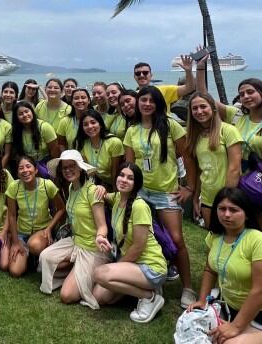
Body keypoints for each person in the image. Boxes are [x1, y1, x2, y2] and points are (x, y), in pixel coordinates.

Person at [122, 86, 196, 308]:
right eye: (143, 99)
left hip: (166, 192)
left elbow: (188, 158)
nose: (146, 104)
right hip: (142, 192)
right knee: (143, 238)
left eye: (151, 100)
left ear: (158, 104)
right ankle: (152, 278)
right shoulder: (132, 130)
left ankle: (188, 288)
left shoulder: (171, 125)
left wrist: (189, 188)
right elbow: (130, 166)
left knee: (176, 239)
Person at [186, 187, 262, 343]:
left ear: (247, 213)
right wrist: (202, 300)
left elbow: (260, 291)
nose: (227, 214)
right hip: (231, 308)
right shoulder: (214, 236)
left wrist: (235, 326)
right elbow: (210, 270)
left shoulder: (259, 241)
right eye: (222, 209)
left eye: (234, 210)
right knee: (189, 326)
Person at [196, 73, 262, 233]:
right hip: (237, 180)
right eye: (242, 94)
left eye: (250, 92)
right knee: (233, 230)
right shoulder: (237, 116)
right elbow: (205, 97)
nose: (246, 96)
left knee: (257, 231)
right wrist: (199, 67)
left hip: (260, 181)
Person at [92, 163, 167, 323]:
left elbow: (139, 246)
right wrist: (101, 188)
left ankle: (150, 297)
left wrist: (117, 265)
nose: (124, 180)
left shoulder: (139, 206)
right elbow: (104, 195)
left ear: (136, 184)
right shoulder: (118, 198)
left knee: (100, 274)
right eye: (121, 175)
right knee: (99, 297)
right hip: (133, 265)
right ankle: (143, 288)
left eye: (130, 178)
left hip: (151, 266)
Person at [39, 150, 111, 310]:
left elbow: (102, 225)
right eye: (64, 168)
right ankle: (77, 270)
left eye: (72, 166)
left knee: (67, 295)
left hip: (92, 247)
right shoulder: (72, 187)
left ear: (81, 168)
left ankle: (84, 273)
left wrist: (100, 237)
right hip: (75, 241)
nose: (68, 170)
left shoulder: (93, 191)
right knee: (45, 257)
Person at [185, 92, 242, 229]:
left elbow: (234, 168)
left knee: (232, 239)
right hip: (207, 197)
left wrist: (227, 199)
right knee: (214, 238)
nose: (199, 111)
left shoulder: (228, 131)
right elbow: (200, 170)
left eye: (203, 106)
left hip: (228, 197)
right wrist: (196, 197)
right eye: (195, 108)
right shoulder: (195, 136)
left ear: (213, 108)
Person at [4, 156, 65, 277]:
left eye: (28, 166)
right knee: (15, 271)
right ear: (17, 173)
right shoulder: (14, 187)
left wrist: (49, 228)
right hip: (22, 233)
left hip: (41, 232)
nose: (25, 170)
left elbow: (62, 209)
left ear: (36, 170)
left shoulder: (47, 185)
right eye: (21, 168)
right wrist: (16, 242)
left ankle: (38, 253)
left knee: (34, 245)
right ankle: (32, 258)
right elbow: (11, 215)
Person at [10, 101, 59, 177]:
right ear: (16, 118)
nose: (25, 115)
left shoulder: (44, 127)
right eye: (20, 114)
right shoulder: (15, 131)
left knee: (45, 174)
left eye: (27, 111)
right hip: (26, 163)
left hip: (45, 161)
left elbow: (55, 151)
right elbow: (17, 153)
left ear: (32, 111)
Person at [75, 110, 124, 187]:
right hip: (96, 183)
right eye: (85, 124)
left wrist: (114, 195)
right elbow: (89, 172)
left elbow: (115, 173)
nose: (90, 126)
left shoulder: (114, 142)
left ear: (100, 124)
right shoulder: (83, 143)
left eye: (93, 122)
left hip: (114, 184)